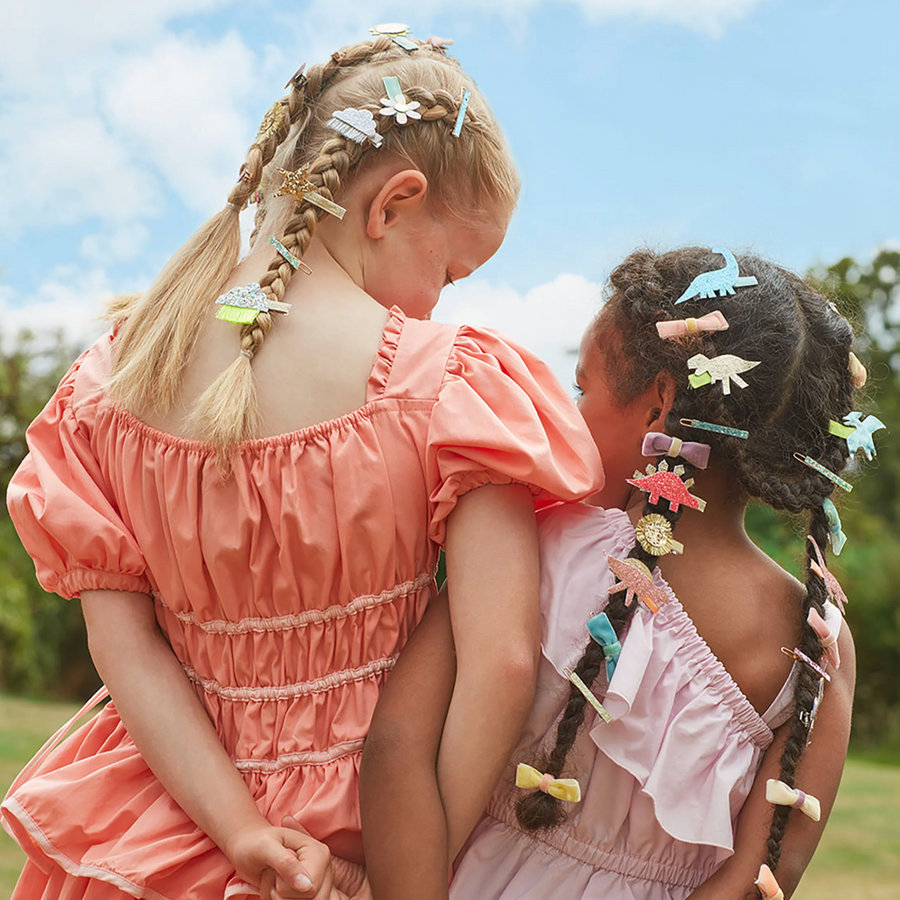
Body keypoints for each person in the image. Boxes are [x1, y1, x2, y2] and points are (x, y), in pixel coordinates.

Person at [0, 31, 603, 900]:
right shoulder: (450, 383)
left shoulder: (106, 385)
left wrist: (241, 833)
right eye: (450, 270)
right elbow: (501, 662)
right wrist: (412, 873)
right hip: (373, 830)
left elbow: (124, 648)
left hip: (159, 826)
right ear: (392, 204)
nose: (441, 298)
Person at [362, 247, 860, 900]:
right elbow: (762, 878)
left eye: (583, 389)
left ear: (660, 407)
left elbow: (397, 745)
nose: (571, 413)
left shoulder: (541, 546)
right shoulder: (816, 644)